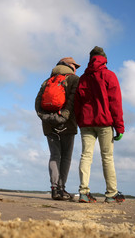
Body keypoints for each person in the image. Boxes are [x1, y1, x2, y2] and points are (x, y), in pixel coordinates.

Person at [74, 46, 125, 203]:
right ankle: (111, 193)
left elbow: (77, 103)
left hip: (86, 124)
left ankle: (83, 192)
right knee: (107, 157)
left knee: (86, 156)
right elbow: (115, 102)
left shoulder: (83, 78)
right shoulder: (109, 75)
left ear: (90, 59)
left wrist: (80, 121)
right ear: (104, 59)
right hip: (104, 123)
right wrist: (120, 127)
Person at [35, 57, 80, 200]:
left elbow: (37, 104)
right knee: (66, 157)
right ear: (68, 65)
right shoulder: (74, 79)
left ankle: (54, 189)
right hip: (68, 123)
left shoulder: (47, 81)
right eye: (75, 65)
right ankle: (61, 189)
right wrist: (63, 117)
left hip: (49, 124)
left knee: (54, 155)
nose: (76, 68)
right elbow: (73, 102)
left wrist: (46, 117)